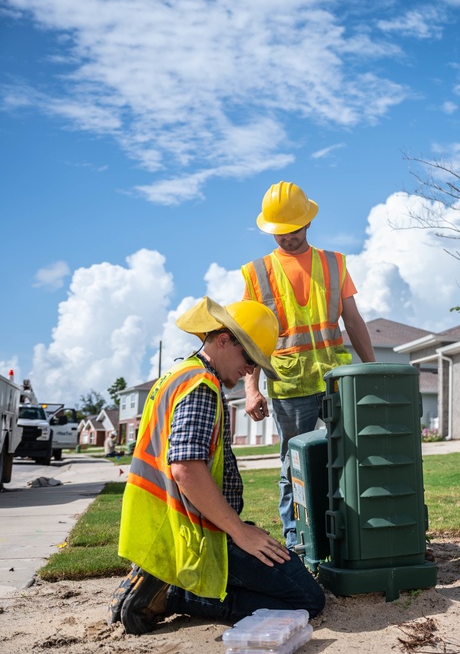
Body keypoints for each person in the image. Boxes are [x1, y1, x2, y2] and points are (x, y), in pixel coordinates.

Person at [108, 297, 325, 635]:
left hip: (169, 525)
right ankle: (174, 595)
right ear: (223, 340)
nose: (250, 370)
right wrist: (240, 532)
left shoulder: (178, 375)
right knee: (307, 598)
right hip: (191, 533)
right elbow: (185, 468)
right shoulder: (201, 387)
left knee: (279, 568)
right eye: (248, 357)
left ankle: (164, 580)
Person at [242, 181, 375, 549]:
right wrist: (251, 389)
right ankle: (297, 542)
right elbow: (252, 338)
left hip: (336, 380)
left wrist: (372, 369)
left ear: (308, 223)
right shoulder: (257, 272)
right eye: (280, 232)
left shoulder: (333, 263)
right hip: (288, 387)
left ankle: (350, 535)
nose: (287, 238)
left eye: (294, 229)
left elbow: (353, 320)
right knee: (293, 467)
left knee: (350, 458)